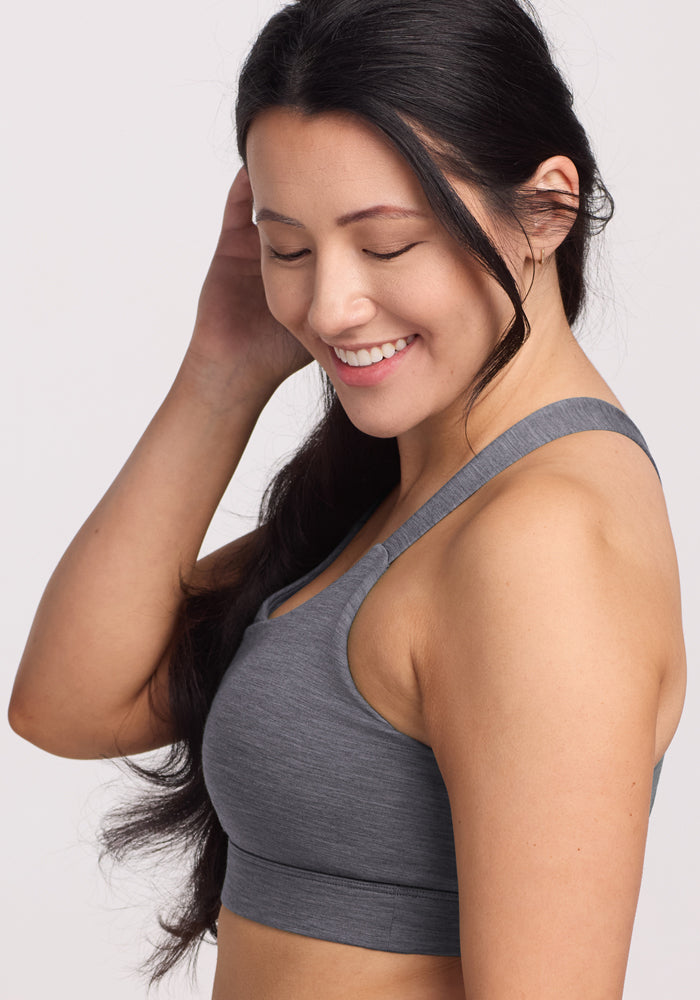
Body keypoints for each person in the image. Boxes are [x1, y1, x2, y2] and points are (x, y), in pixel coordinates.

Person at [8, 0, 686, 997]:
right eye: (288, 248)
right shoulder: (412, 496)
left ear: (544, 211)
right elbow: (69, 703)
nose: (328, 307)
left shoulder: (542, 543)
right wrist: (222, 369)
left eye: (385, 245)